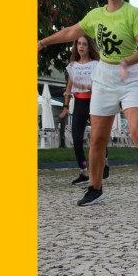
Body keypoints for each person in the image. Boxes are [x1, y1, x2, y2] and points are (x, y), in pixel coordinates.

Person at [39, 0, 138, 207]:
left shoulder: (133, 13)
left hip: (129, 76)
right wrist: (43, 42)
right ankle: (95, 188)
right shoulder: (95, 15)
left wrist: (127, 61)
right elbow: (70, 31)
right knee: (98, 138)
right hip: (104, 77)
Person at [59, 35, 110, 186]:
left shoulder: (96, 64)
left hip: (94, 102)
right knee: (76, 139)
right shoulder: (73, 66)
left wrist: (90, 87)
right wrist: (66, 107)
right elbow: (69, 88)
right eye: (79, 44)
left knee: (98, 137)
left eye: (84, 44)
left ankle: (104, 163)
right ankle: (83, 171)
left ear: (89, 47)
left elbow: (102, 83)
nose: (81, 47)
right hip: (80, 103)